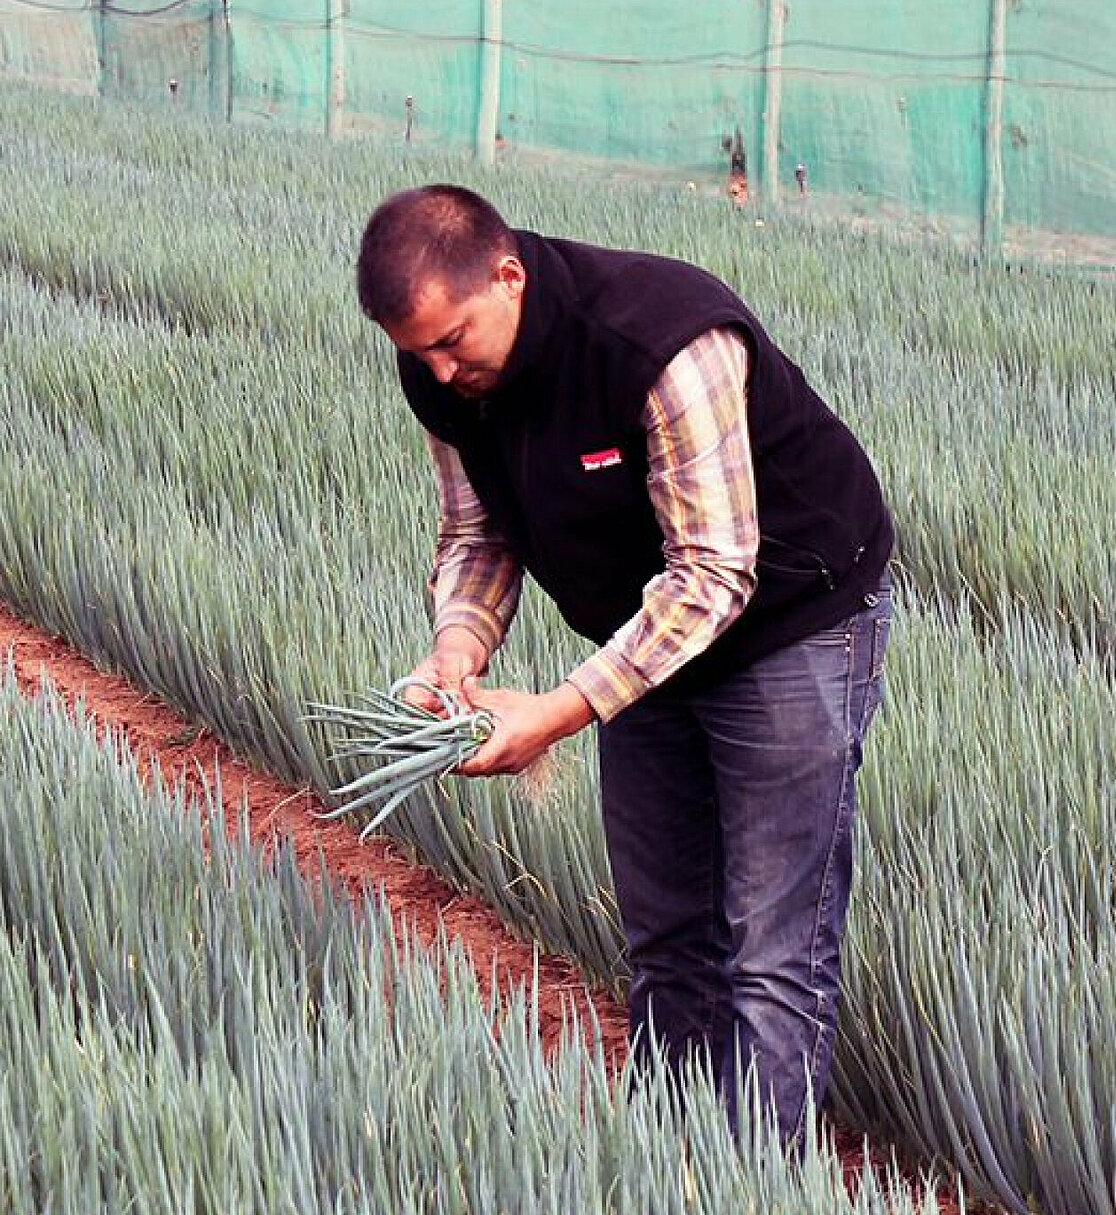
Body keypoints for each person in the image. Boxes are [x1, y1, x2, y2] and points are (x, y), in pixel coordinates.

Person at [356, 183, 894, 1149]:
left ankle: (753, 1181)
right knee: (667, 935)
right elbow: (478, 529)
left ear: (508, 275)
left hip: (788, 614)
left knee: (771, 949)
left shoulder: (663, 344)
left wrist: (561, 710)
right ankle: (665, 1164)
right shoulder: (441, 377)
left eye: (451, 340)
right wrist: (457, 650)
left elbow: (716, 572)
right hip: (644, 625)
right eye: (416, 352)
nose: (437, 371)